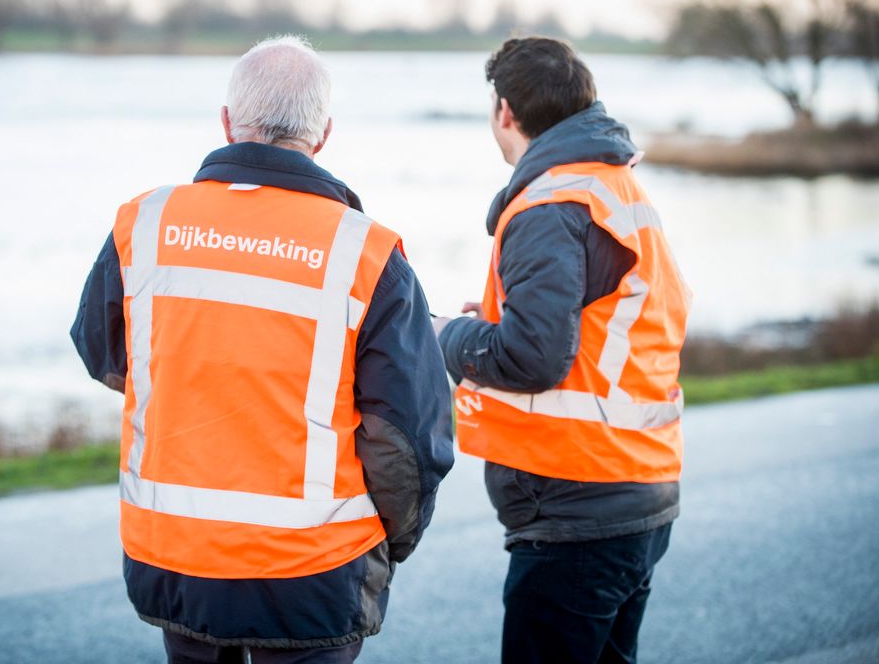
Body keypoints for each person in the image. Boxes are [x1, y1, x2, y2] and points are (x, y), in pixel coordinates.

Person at [71, 36, 454, 664]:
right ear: (324, 134)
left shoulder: (145, 224)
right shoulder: (367, 254)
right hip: (313, 566)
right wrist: (393, 541)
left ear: (226, 123)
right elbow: (408, 437)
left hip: (176, 556)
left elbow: (104, 353)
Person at [433, 37, 690, 664]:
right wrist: (495, 319)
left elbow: (534, 359)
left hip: (578, 505)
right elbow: (591, 324)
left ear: (504, 111)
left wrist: (447, 335)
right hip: (637, 488)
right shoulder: (613, 185)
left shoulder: (550, 204)